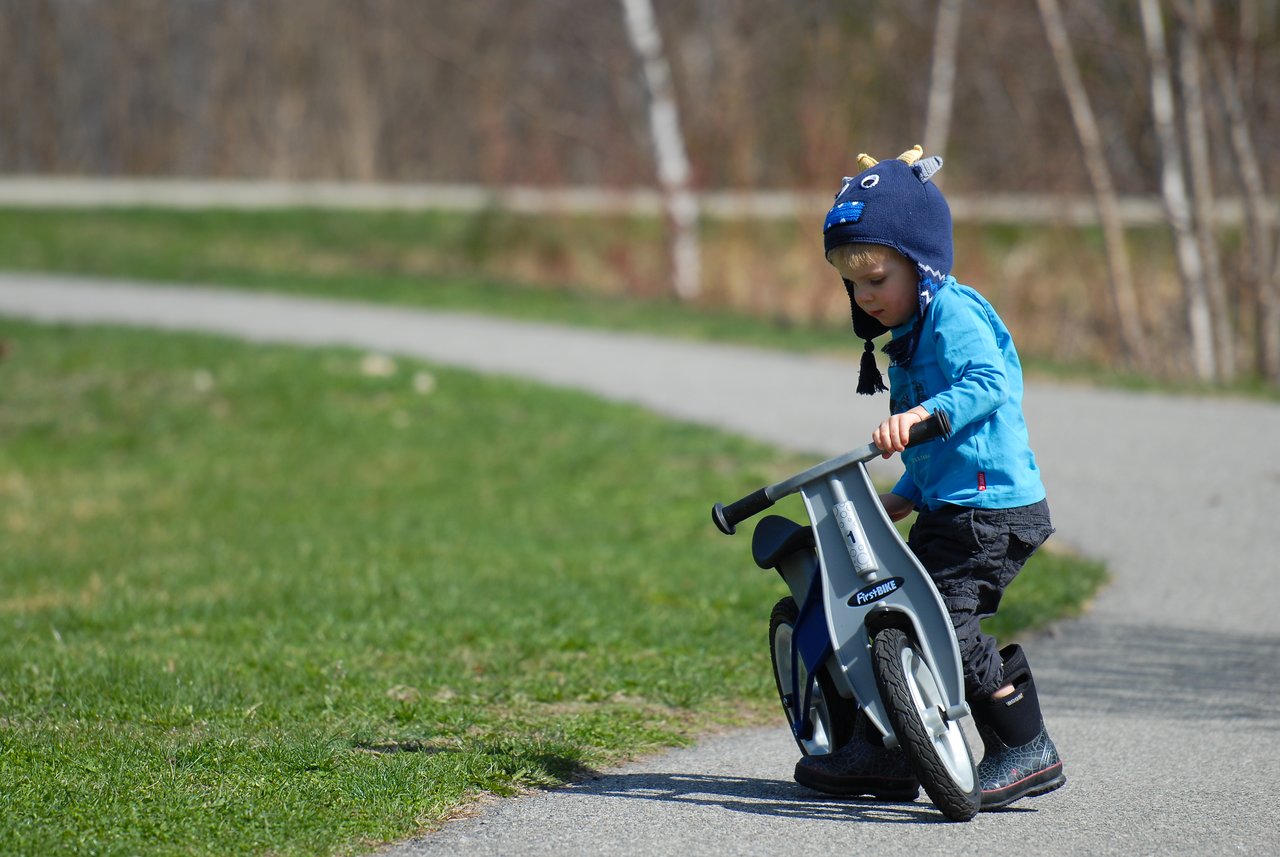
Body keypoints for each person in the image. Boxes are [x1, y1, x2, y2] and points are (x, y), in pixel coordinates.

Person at [793, 145, 1065, 811]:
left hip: (992, 509)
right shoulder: (910, 334)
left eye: (877, 277)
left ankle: (1025, 743)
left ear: (922, 265)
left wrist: (918, 413)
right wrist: (905, 496)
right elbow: (934, 455)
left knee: (941, 612)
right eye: (853, 283)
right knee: (892, 599)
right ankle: (890, 751)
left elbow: (989, 384)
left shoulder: (954, 316)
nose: (865, 295)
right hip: (952, 503)